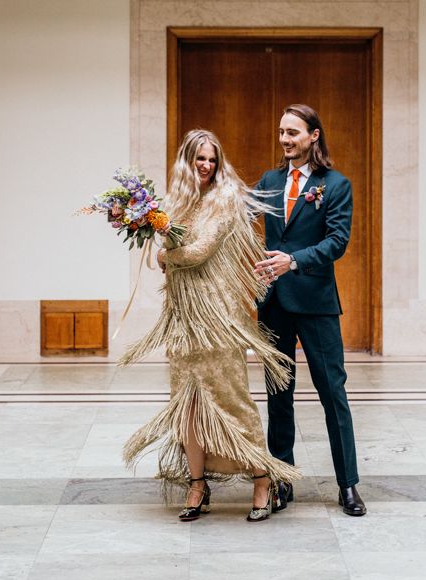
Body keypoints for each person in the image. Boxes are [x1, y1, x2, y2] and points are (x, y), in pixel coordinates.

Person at [120, 129, 301, 523]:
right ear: (186, 161)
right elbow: (157, 258)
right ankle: (198, 484)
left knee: (232, 399)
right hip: (183, 320)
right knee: (187, 405)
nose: (206, 166)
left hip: (218, 318)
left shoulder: (225, 199)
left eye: (211, 160)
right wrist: (162, 244)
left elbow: (199, 252)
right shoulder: (173, 204)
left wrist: (169, 252)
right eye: (199, 159)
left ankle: (261, 478)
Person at [254, 104, 366, 516]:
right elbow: (228, 215)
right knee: (277, 395)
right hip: (273, 305)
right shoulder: (267, 182)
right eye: (281, 132)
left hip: (316, 305)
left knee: (332, 394)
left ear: (314, 135)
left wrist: (293, 260)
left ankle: (348, 485)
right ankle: (282, 480)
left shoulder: (335, 185)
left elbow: (337, 242)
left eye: (293, 132)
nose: (285, 139)